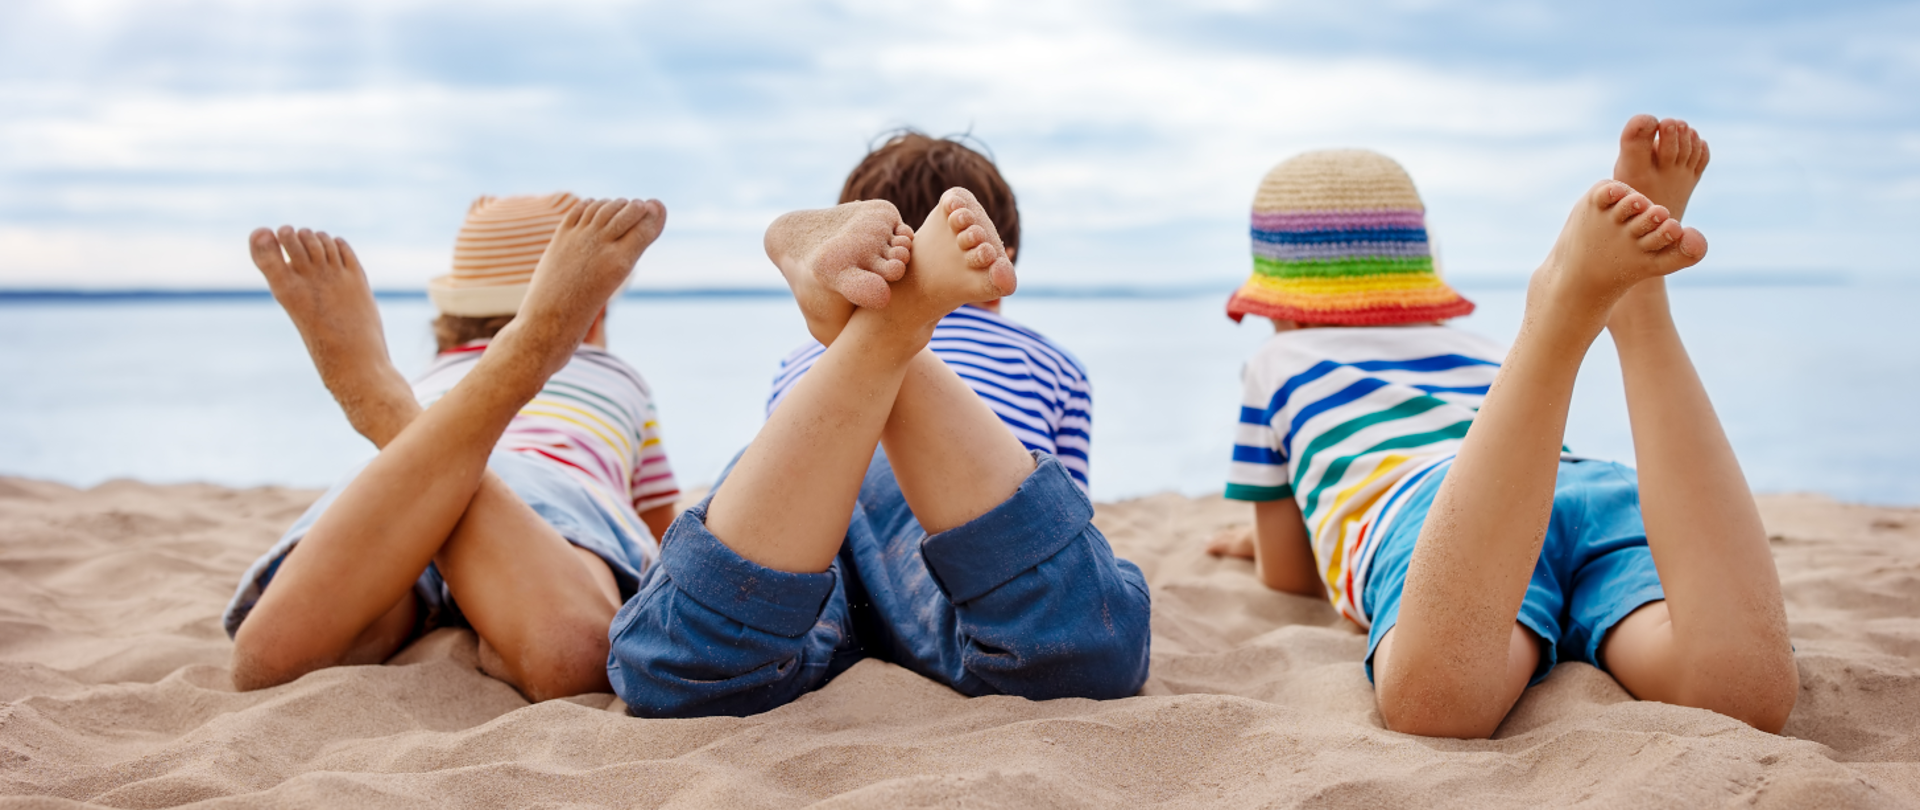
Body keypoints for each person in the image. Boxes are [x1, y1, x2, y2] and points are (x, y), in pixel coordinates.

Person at [1207, 117, 1798, 738]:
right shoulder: (1483, 347)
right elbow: (1520, 437)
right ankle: (1640, 309)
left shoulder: (1276, 363)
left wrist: (1263, 537)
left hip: (1444, 515)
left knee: (1437, 704)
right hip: (1587, 486)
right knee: (1736, 696)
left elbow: (1290, 574)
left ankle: (1563, 313)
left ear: (1278, 305)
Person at [605, 185, 1152, 718]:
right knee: (1078, 646)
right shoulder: (1046, 360)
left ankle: (878, 337)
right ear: (996, 278)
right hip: (958, 482)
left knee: (685, 669)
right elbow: (1072, 529)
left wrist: (854, 341)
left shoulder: (807, 358)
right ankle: (895, 327)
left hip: (816, 478)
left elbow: (780, 473)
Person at [223, 194, 677, 703]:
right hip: (554, 494)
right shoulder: (617, 378)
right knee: (578, 656)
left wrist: (401, 414)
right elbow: (665, 537)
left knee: (269, 657)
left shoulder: (425, 381)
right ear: (591, 315)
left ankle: (385, 411)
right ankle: (523, 356)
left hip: (400, 493)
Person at [765, 132, 1094, 491]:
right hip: (978, 500)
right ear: (1001, 264)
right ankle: (902, 314)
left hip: (813, 496)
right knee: (1046, 526)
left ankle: (874, 332)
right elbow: (1071, 518)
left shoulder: (797, 364)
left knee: (748, 524)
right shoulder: (1053, 365)